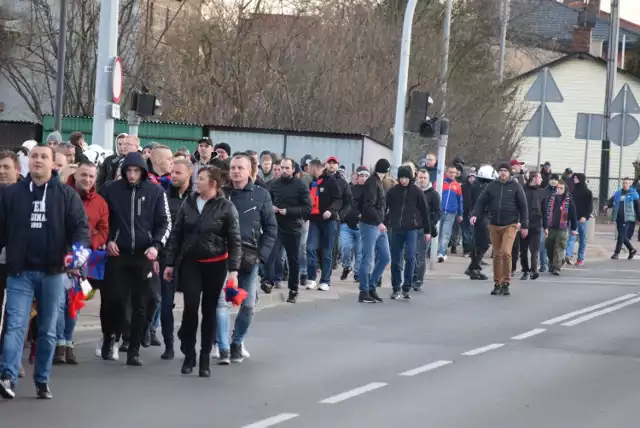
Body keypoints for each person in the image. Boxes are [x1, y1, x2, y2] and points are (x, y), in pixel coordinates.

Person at [0, 144, 90, 400]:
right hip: (20, 272)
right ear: (28, 163)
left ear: (53, 164)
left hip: (54, 272)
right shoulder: (12, 195)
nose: (38, 160)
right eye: (34, 157)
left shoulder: (66, 195)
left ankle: (42, 379)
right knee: (16, 325)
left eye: (43, 157)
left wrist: (78, 254)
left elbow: (81, 229)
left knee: (48, 330)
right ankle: (7, 376)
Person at [164, 166, 242, 377]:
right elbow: (176, 234)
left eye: (201, 179)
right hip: (190, 262)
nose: (197, 182)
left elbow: (235, 241)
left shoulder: (226, 207)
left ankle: (205, 356)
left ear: (213, 184)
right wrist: (169, 264)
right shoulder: (188, 203)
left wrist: (234, 271)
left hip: (215, 264)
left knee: (209, 310)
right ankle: (189, 353)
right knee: (190, 306)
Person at [99, 152, 171, 366]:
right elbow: (102, 220)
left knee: (142, 303)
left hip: (143, 255)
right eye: (128, 171)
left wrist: (156, 246)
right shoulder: (110, 190)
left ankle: (134, 349)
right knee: (114, 299)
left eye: (136, 171)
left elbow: (165, 222)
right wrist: (108, 240)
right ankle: (111, 336)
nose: (131, 175)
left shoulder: (156, 191)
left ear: (143, 171)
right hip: (118, 254)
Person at [218, 155, 276, 364]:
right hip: (222, 256)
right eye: (233, 167)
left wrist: (262, 256)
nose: (236, 171)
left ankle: (237, 341)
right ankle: (224, 348)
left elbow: (271, 228)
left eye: (240, 168)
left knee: (248, 305)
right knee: (221, 304)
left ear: (250, 171)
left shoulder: (261, 195)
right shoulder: (222, 194)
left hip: (250, 258)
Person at [55, 161, 109, 365]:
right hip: (60, 255)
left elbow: (103, 230)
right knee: (59, 301)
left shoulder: (100, 202)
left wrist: (88, 245)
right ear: (75, 175)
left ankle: (69, 342)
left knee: (76, 304)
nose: (87, 179)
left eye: (91, 176)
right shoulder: (61, 194)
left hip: (85, 258)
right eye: (83, 175)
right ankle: (59, 342)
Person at [470, 162, 528, 296]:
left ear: (509, 173)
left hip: (510, 224)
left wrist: (524, 225)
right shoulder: (492, 186)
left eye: (505, 171)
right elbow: (481, 201)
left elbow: (523, 207)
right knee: (497, 254)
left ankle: (506, 281)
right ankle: (497, 283)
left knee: (506, 252)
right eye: (501, 170)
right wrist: (475, 214)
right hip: (494, 224)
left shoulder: (516, 187)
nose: (503, 173)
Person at [159, 158, 193, 360]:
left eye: (178, 173)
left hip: (189, 258)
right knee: (165, 303)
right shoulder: (164, 196)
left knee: (191, 303)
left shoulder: (196, 198)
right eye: (172, 172)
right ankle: (169, 344)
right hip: (167, 256)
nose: (173, 176)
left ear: (189, 174)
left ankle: (185, 336)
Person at [265, 158, 308, 302]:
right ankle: (268, 281)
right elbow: (267, 201)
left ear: (293, 169)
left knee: (293, 259)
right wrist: (270, 208)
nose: (284, 171)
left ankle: (293, 289)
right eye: (282, 168)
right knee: (271, 254)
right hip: (276, 225)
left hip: (293, 226)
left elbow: (307, 208)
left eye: (287, 168)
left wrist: (287, 211)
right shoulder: (274, 184)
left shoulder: (300, 185)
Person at [386, 166, 431, 300]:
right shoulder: (393, 192)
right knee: (395, 260)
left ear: (410, 178)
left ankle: (406, 287)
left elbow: (424, 212)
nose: (404, 181)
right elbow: (385, 207)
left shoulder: (417, 192)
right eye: (401, 178)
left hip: (412, 229)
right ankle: (395, 287)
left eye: (406, 178)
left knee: (410, 257)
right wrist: (384, 221)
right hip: (396, 229)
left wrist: (427, 231)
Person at [358, 159, 392, 303]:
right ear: (387, 170)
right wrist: (379, 222)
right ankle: (363, 291)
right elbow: (368, 206)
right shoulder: (372, 183)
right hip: (370, 225)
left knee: (385, 257)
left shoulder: (377, 182)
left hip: (378, 225)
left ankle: (371, 286)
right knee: (367, 258)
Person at [306, 159, 342, 291]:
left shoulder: (330, 181)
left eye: (309, 167)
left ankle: (325, 280)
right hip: (315, 220)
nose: (308, 170)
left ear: (315, 168)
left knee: (327, 251)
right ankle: (311, 278)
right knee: (310, 248)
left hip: (328, 221)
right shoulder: (312, 182)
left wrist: (330, 211)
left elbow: (338, 199)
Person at [0, 152, 21, 365]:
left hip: (18, 261)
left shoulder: (24, 194)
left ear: (17, 170)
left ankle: (10, 356)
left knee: (15, 312)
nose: (1, 171)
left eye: (6, 167)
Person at [464, 165, 495, 281]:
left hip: (482, 216)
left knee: (481, 243)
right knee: (484, 242)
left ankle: (475, 267)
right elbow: (480, 203)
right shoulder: (478, 187)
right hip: (480, 217)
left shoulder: (480, 185)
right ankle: (473, 267)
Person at [413, 169, 441, 290]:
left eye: (424, 178)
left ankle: (418, 280)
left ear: (428, 179)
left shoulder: (433, 194)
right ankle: (411, 277)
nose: (422, 180)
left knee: (420, 254)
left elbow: (438, 212)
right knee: (410, 254)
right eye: (420, 177)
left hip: (425, 229)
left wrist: (431, 223)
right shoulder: (411, 191)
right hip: (411, 227)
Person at [340, 166, 368, 282]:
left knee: (360, 252)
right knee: (345, 248)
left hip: (361, 226)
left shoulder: (370, 191)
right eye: (361, 176)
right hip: (347, 225)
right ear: (357, 177)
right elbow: (343, 203)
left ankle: (357, 273)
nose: (363, 178)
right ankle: (347, 266)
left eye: (366, 176)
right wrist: (342, 216)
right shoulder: (350, 189)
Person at [544, 180, 578, 275]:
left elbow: (573, 215)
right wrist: (544, 225)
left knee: (559, 247)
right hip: (551, 227)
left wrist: (574, 228)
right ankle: (552, 262)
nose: (559, 190)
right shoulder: (551, 198)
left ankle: (556, 267)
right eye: (558, 188)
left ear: (565, 189)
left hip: (562, 228)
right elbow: (545, 211)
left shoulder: (569, 200)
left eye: (561, 188)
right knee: (549, 246)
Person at [520, 172, 546, 280]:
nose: (541, 180)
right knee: (523, 249)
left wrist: (546, 226)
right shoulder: (522, 190)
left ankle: (534, 270)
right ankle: (525, 270)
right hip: (524, 224)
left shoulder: (542, 192)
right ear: (534, 178)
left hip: (536, 223)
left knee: (534, 248)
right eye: (540, 177)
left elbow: (544, 210)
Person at [608, 178, 640, 260]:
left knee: (621, 235)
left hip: (628, 217)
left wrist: (639, 218)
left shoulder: (633, 194)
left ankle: (616, 253)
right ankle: (632, 250)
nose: (624, 184)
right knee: (622, 235)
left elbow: (638, 207)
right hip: (619, 217)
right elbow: (612, 201)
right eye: (623, 183)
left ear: (630, 184)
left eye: (626, 183)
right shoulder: (618, 193)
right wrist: (607, 205)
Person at [565, 173, 593, 266]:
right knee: (571, 238)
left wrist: (585, 216)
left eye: (576, 178)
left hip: (583, 219)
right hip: (573, 218)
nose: (574, 179)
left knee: (582, 239)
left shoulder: (587, 192)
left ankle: (580, 258)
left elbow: (590, 206)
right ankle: (568, 256)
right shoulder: (572, 191)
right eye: (574, 178)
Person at [437, 166, 463, 262]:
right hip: (439, 212)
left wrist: (460, 214)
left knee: (446, 233)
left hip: (451, 213)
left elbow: (460, 200)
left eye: (454, 173)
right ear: (446, 172)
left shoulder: (457, 186)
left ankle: (441, 252)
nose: (452, 174)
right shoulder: (439, 183)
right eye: (451, 172)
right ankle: (435, 251)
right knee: (437, 232)